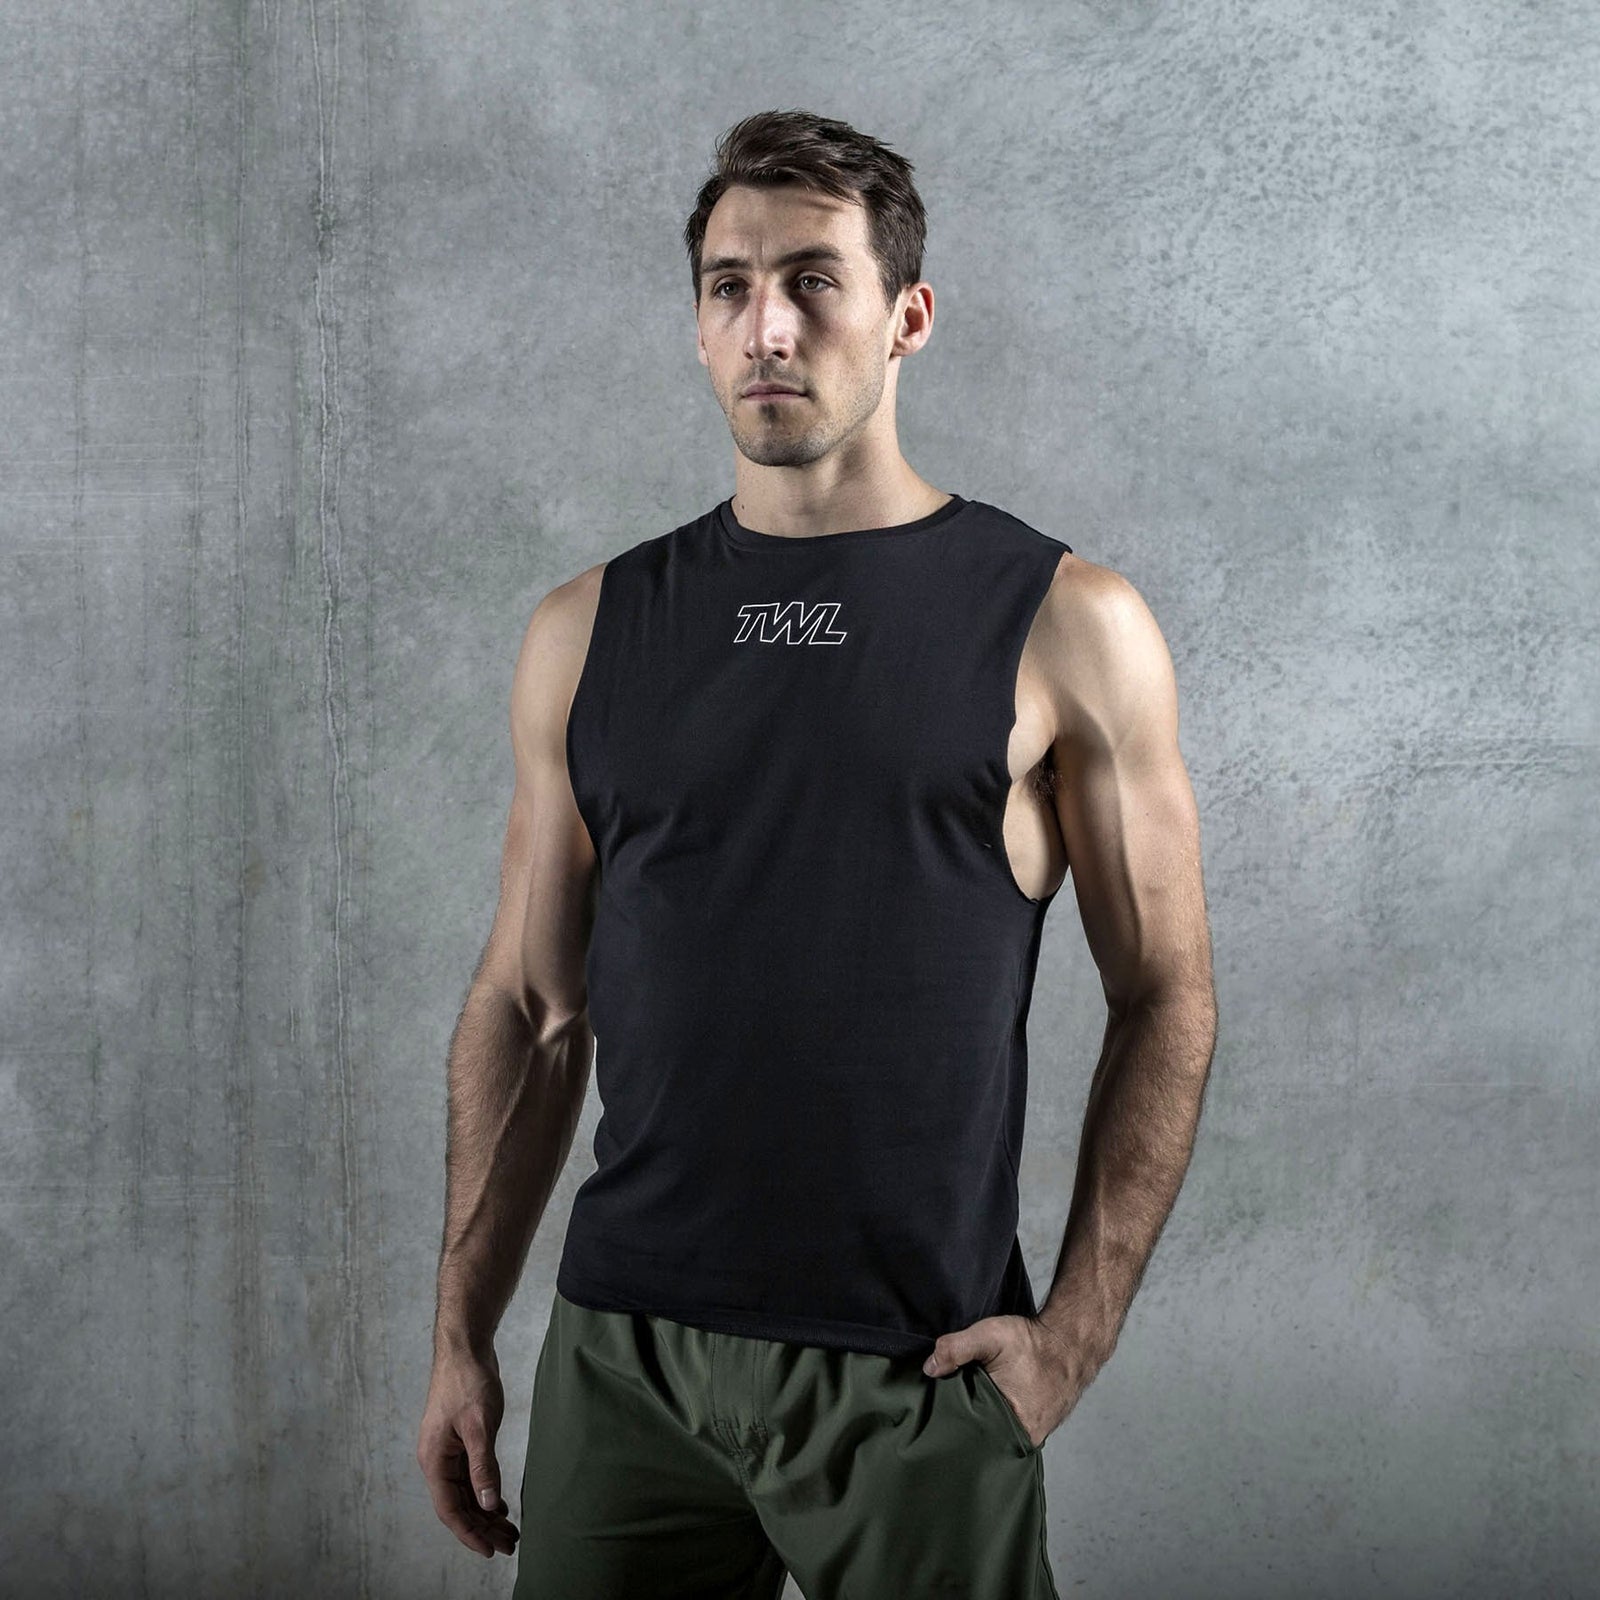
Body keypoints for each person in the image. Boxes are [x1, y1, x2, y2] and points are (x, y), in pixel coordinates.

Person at [417, 108, 1217, 1599]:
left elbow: (1165, 993)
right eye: (729, 287)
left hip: (915, 1372)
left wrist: (1071, 1341)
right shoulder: (589, 631)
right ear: (697, 324)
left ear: (908, 316)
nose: (767, 327)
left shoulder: (1065, 625)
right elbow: (530, 1006)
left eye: (812, 282)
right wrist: (460, 1333)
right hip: (627, 1360)